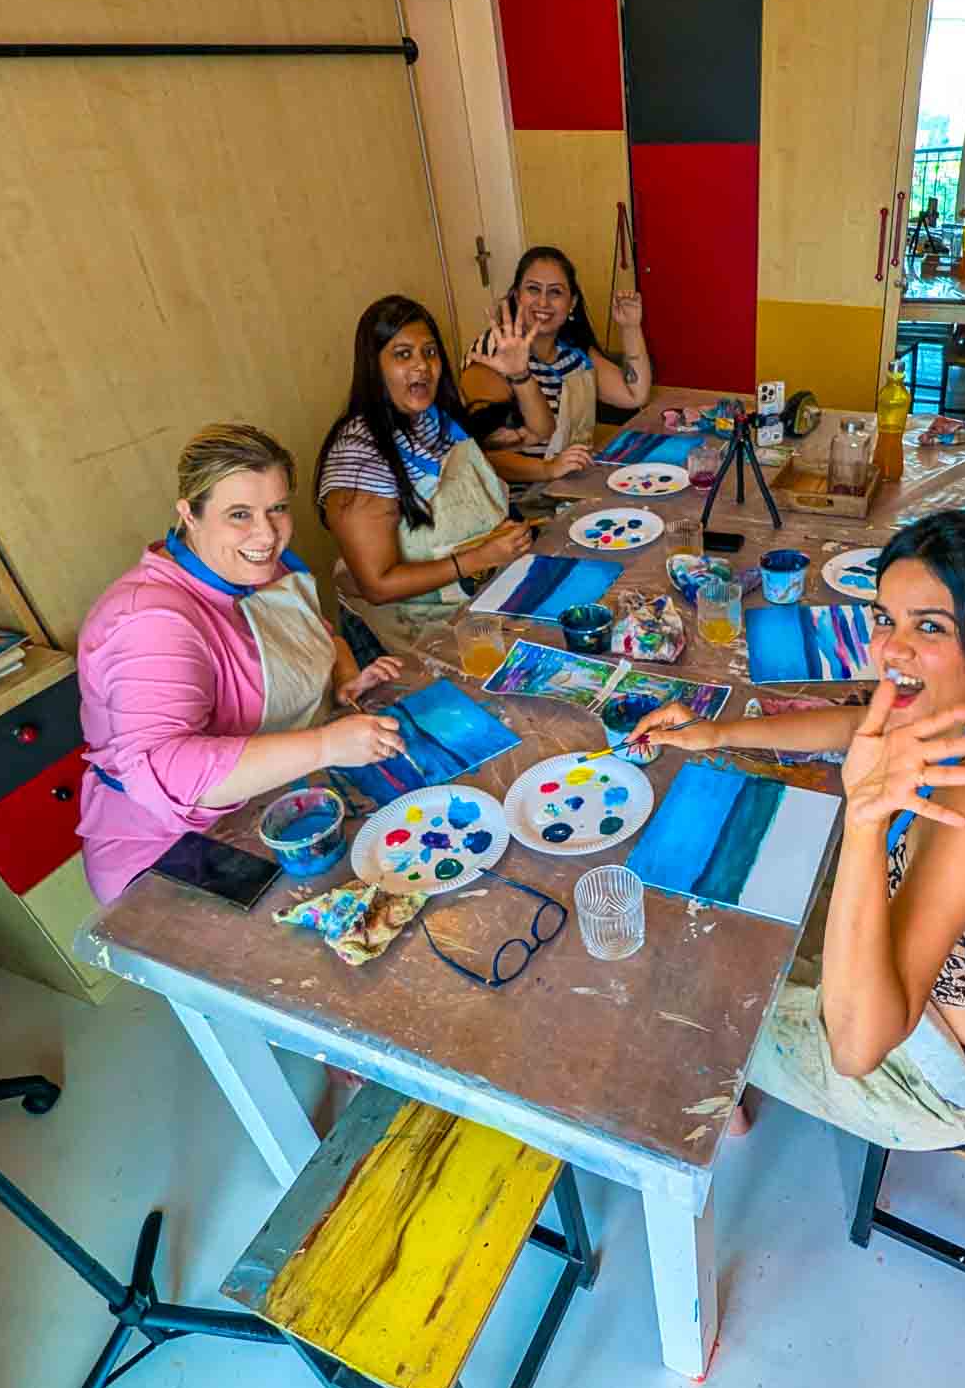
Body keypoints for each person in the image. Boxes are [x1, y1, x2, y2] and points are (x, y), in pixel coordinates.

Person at [631, 512, 965, 1149]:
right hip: (964, 1020)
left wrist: (864, 818)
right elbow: (859, 728)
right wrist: (718, 732)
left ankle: (726, 1104)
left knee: (679, 975)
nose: (891, 650)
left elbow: (856, 1047)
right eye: (886, 619)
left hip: (951, 1086)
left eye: (929, 626)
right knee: (743, 915)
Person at [78, 424, 404, 902]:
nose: (266, 534)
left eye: (277, 509)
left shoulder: (265, 566)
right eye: (239, 514)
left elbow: (315, 635)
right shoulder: (151, 621)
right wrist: (326, 745)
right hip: (173, 852)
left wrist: (344, 677)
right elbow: (168, 770)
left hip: (270, 804)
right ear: (189, 514)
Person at [315, 295, 534, 663]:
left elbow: (538, 431)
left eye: (430, 352)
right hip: (407, 636)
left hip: (475, 605)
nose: (422, 366)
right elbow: (377, 585)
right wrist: (477, 559)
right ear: (374, 366)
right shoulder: (358, 455)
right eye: (403, 355)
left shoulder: (436, 420)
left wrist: (520, 375)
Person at [459, 246, 652, 486]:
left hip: (568, 485)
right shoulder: (494, 351)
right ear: (517, 296)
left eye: (555, 292)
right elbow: (485, 453)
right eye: (533, 289)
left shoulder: (573, 353)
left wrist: (630, 327)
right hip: (518, 497)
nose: (543, 302)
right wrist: (547, 469)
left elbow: (635, 394)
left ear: (572, 303)